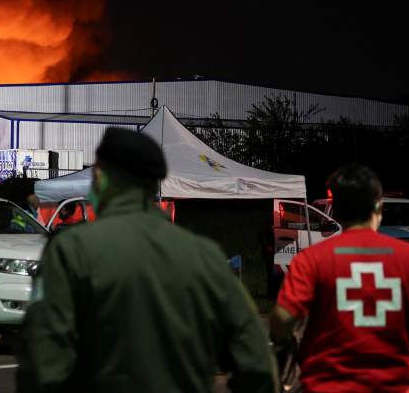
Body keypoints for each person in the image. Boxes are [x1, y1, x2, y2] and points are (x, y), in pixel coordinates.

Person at [17, 127, 278, 393]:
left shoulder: (71, 251)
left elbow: (41, 356)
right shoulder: (205, 256)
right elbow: (255, 360)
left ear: (100, 178)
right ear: (155, 184)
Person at [270, 164, 409, 392]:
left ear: (337, 212)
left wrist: (285, 340)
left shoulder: (311, 259)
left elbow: (282, 318)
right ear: (378, 207)